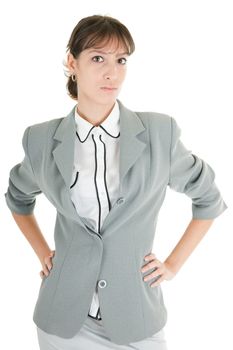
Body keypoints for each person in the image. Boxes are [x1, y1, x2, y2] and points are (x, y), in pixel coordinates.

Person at [4, 14, 227, 350]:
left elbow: (208, 199)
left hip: (136, 319)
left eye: (121, 60)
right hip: (62, 321)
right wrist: (42, 252)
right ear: (71, 62)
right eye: (97, 58)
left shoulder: (158, 134)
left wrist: (172, 265)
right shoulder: (40, 140)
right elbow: (18, 197)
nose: (112, 73)